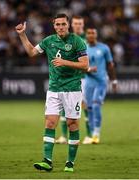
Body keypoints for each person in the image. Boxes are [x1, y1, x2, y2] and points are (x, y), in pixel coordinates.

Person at [15, 14, 89, 172]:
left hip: (72, 89)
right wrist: (22, 35)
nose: (61, 27)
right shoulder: (49, 41)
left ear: (67, 25)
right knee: (49, 122)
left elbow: (85, 65)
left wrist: (64, 62)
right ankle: (47, 161)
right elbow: (32, 52)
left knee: (72, 124)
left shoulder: (77, 41)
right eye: (58, 24)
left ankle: (70, 163)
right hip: (54, 88)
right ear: (54, 26)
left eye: (63, 24)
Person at [55, 15, 96, 144]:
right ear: (71, 24)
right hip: (70, 77)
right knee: (63, 105)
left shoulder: (87, 39)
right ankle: (63, 136)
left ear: (83, 25)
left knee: (85, 105)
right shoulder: (67, 39)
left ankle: (90, 135)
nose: (78, 25)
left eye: (80, 23)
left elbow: (92, 58)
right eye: (76, 23)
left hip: (84, 78)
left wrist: (89, 69)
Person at [83, 27, 117, 144]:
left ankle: (97, 133)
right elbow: (80, 67)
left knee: (96, 105)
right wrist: (88, 69)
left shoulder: (104, 48)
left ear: (96, 35)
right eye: (89, 33)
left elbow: (110, 65)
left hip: (101, 81)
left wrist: (114, 81)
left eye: (93, 33)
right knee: (90, 108)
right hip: (88, 83)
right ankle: (92, 133)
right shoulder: (83, 48)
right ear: (86, 35)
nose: (91, 35)